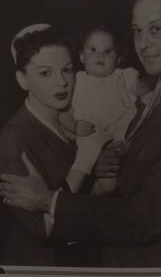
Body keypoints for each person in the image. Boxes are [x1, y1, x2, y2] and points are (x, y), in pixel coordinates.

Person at [0, 0, 161, 267]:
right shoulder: (155, 87)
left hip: (150, 261)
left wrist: (52, 199)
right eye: (137, 31)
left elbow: (145, 216)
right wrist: (98, 166)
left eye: (156, 29)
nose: (143, 44)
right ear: (22, 79)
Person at [0, 24, 99, 266]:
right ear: (22, 80)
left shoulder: (71, 118)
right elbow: (41, 231)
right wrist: (84, 163)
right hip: (41, 264)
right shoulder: (15, 137)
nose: (62, 83)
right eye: (46, 73)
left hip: (80, 256)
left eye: (67, 70)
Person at [59, 23, 151, 194]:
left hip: (118, 136)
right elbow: (63, 113)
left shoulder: (122, 76)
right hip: (90, 135)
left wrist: (147, 95)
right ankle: (67, 191)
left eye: (108, 51)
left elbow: (139, 85)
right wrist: (74, 125)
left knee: (111, 184)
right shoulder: (77, 81)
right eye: (92, 50)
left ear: (118, 59)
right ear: (81, 57)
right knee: (84, 159)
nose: (100, 55)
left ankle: (94, 196)